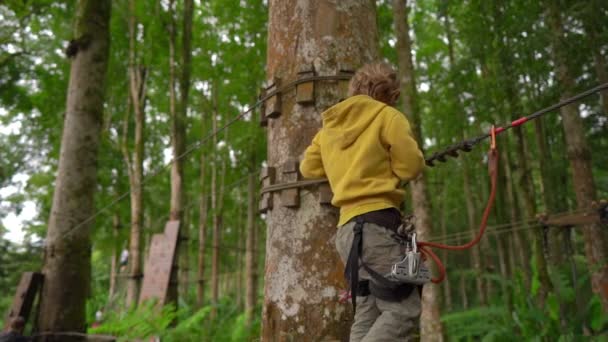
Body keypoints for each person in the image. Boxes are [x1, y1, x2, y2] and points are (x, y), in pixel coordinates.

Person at [300, 62, 425, 341]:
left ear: (354, 89)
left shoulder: (328, 129)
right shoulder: (388, 117)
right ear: (390, 95)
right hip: (379, 228)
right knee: (403, 311)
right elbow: (410, 168)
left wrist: (340, 167)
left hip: (347, 233)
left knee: (368, 313)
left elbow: (308, 168)